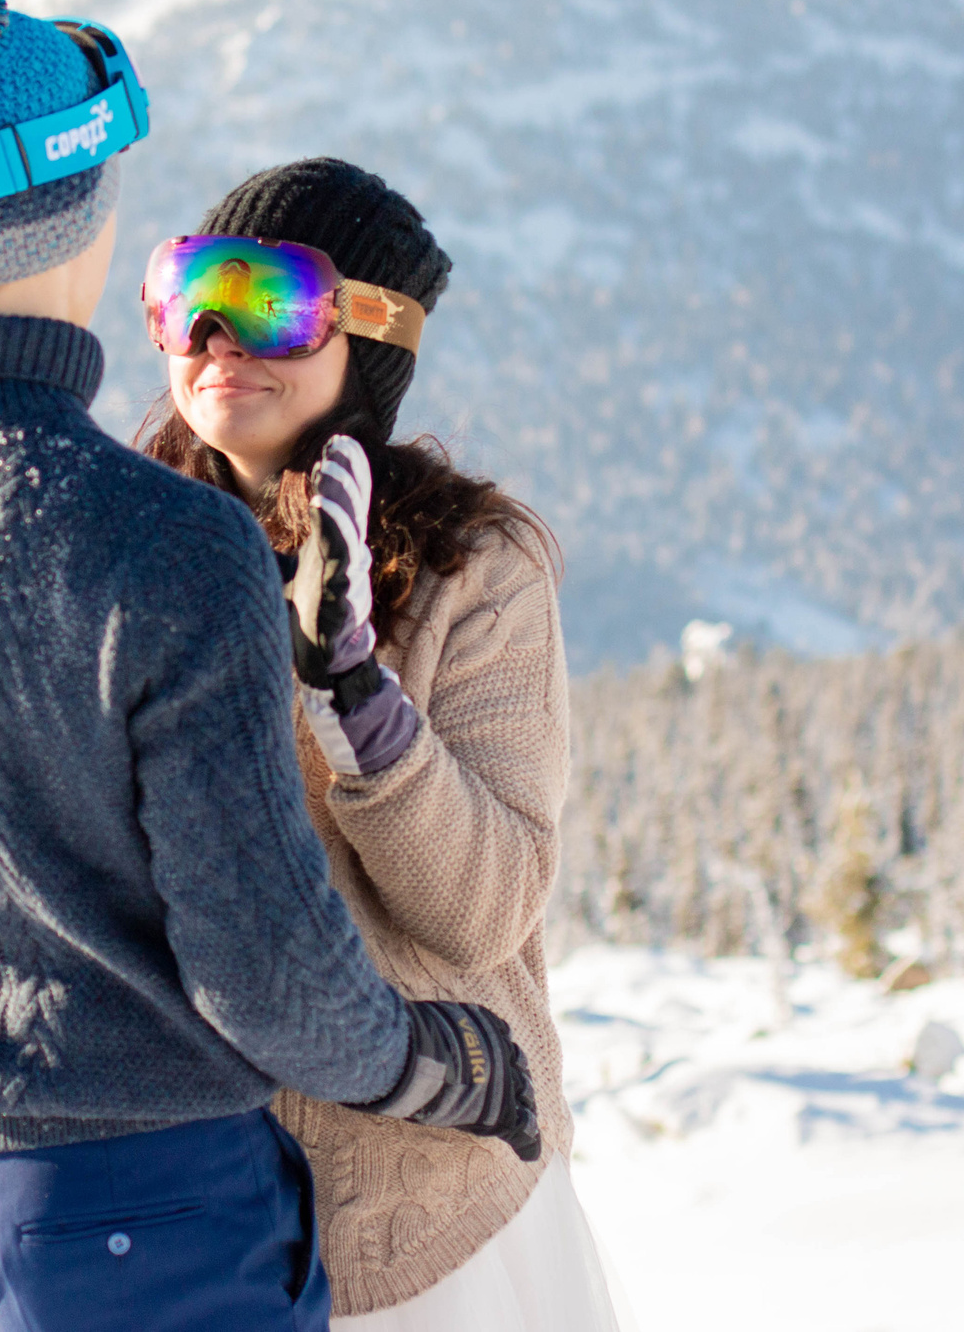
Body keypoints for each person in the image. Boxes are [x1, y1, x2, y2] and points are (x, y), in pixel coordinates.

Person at [0, 0, 541, 1332]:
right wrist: (435, 1064)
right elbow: (267, 972)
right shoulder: (159, 539)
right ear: (87, 204)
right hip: (142, 1208)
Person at [136, 158, 623, 1332]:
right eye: (187, 291)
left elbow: (483, 911)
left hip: (428, 1213)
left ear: (372, 334)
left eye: (267, 300)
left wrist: (354, 697)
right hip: (183, 1202)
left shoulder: (471, 569)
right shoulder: (126, 542)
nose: (214, 333)